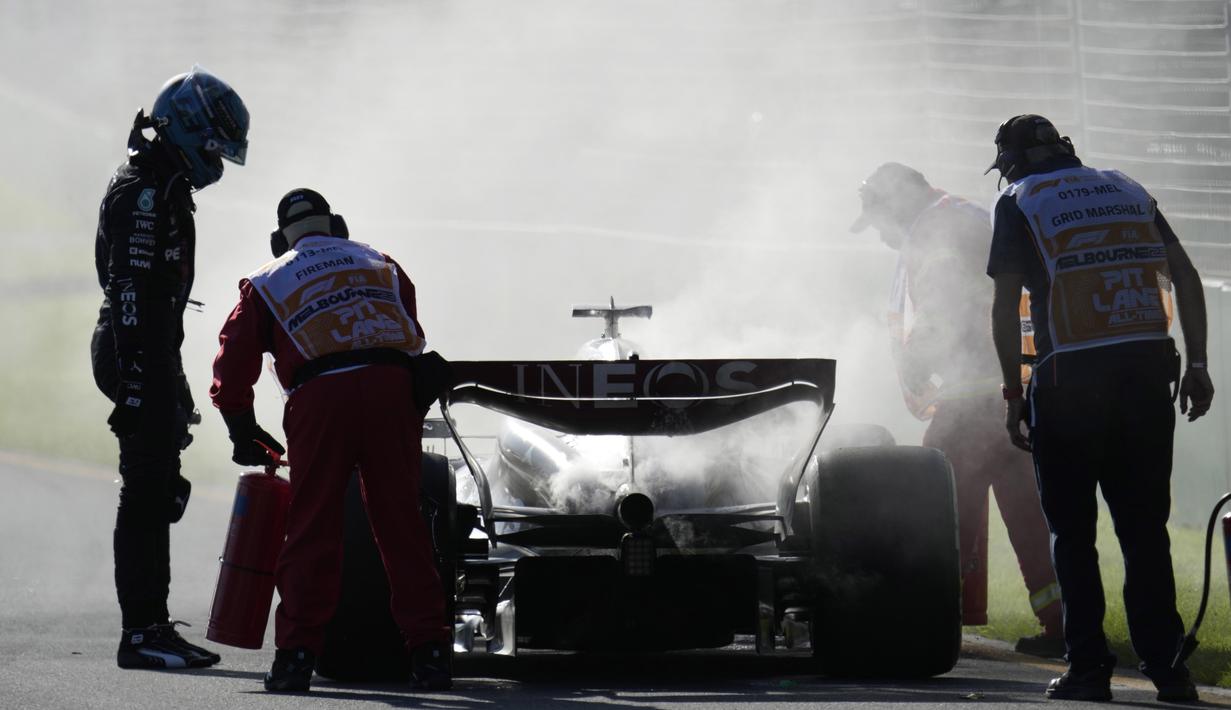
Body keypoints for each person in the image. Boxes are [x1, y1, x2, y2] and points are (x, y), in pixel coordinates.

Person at [986, 114, 1215, 703]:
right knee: (1145, 533)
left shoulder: (1019, 200)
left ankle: (1089, 670)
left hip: (1068, 382)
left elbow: (1005, 303)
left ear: (1010, 162)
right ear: (1066, 150)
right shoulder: (1127, 188)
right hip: (1147, 378)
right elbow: (1184, 274)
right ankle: (1170, 673)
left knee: (1073, 533)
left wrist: (1013, 394)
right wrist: (1199, 364)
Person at [209, 188, 452, 692]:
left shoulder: (266, 281)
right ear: (336, 225)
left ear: (281, 240)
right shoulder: (381, 262)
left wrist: (239, 427)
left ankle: (296, 658)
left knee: (312, 527)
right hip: (392, 390)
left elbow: (235, 362)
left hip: (321, 396)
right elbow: (410, 327)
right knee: (402, 524)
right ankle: (430, 655)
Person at [851, 162, 1064, 657]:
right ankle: (1061, 624)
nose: (882, 236)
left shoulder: (939, 233)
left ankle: (926, 623)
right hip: (1010, 393)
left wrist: (919, 358)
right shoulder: (964, 216)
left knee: (937, 514)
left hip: (971, 398)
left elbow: (952, 306)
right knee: (1030, 516)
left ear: (899, 202)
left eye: (880, 220)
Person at [91, 66, 248, 670]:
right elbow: (128, 288)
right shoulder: (145, 190)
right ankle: (142, 633)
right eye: (213, 144)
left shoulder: (163, 184)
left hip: (150, 352)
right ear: (187, 128)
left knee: (155, 492)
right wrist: (136, 385)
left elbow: (154, 306)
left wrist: (172, 385)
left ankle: (150, 627)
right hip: (132, 351)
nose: (216, 160)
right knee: (145, 493)